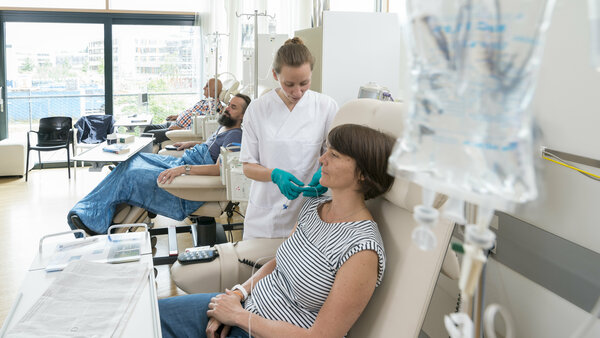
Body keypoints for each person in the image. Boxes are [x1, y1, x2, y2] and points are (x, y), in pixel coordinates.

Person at [158, 124, 396, 338]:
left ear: (362, 174)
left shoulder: (362, 249)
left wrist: (239, 318)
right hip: (245, 307)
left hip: (262, 329)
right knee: (153, 315)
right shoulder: (315, 206)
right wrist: (239, 294)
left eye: (334, 155)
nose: (322, 159)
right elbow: (279, 262)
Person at [68, 94, 251, 235]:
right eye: (228, 105)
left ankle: (92, 221)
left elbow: (219, 169)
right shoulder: (225, 126)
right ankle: (96, 211)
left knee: (131, 174)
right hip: (185, 161)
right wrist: (191, 144)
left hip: (190, 175)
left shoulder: (236, 137)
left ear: (243, 115)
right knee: (131, 160)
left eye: (233, 108)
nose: (227, 109)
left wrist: (183, 169)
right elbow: (211, 147)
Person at [240, 37, 338, 239]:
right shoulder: (258, 109)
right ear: (275, 75)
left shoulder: (326, 106)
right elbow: (248, 166)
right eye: (289, 84)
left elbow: (334, 152)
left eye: (304, 83)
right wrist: (274, 175)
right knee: (257, 266)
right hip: (265, 214)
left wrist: (324, 172)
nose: (297, 92)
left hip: (310, 210)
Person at [143, 78, 224, 144]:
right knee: (148, 128)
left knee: (146, 136)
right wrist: (177, 116)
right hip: (174, 123)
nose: (203, 88)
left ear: (214, 90)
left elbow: (202, 126)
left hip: (176, 129)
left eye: (207, 86)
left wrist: (181, 129)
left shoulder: (214, 108)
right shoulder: (206, 101)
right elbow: (192, 113)